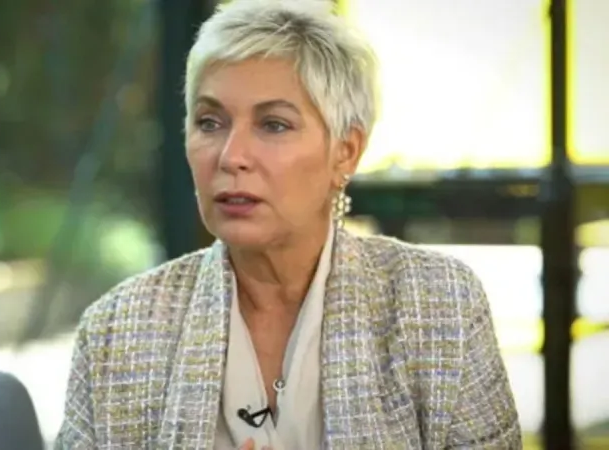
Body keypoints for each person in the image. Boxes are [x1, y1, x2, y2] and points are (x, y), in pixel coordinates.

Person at [54, 0, 521, 448]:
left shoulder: (439, 307)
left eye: (273, 125)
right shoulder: (117, 332)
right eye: (210, 122)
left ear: (346, 152)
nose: (231, 156)